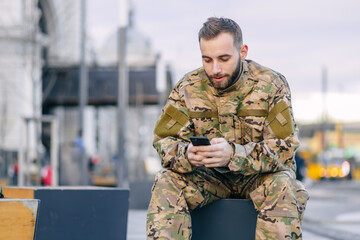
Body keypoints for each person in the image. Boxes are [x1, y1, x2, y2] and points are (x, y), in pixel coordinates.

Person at [147, 17, 309, 239]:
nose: (215, 69)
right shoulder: (188, 87)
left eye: (224, 58)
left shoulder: (271, 85)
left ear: (243, 52)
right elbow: (164, 141)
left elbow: (284, 149)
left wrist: (233, 155)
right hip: (210, 179)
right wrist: (186, 154)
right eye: (207, 60)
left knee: (283, 183)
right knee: (166, 180)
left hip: (258, 177)